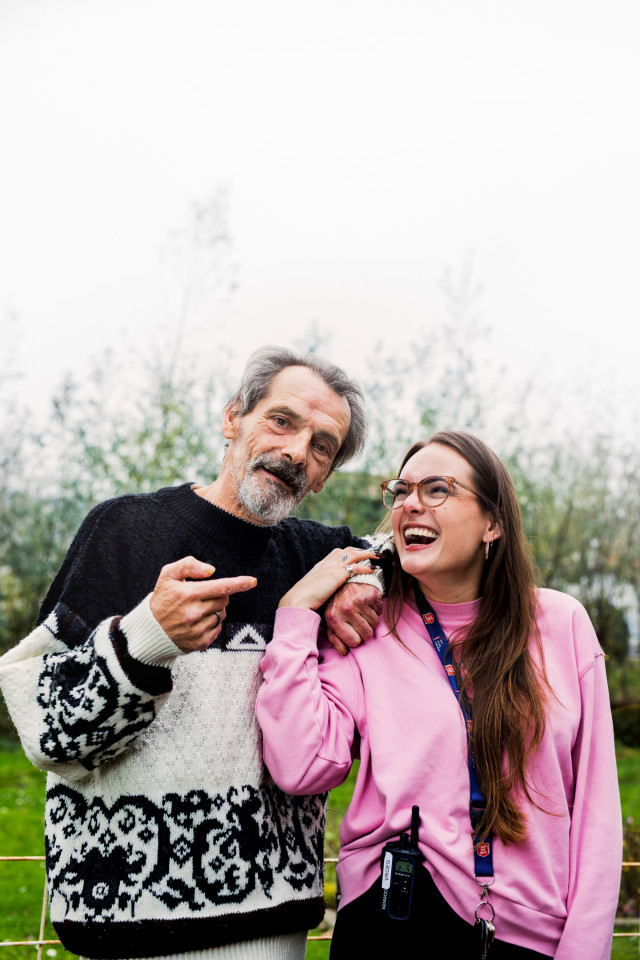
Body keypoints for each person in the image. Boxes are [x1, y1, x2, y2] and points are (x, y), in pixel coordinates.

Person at [0, 345, 387, 960]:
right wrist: (145, 638)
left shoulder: (319, 556)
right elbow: (48, 735)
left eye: (321, 446)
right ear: (233, 417)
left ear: (325, 475)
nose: (295, 453)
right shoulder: (122, 531)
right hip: (126, 930)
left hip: (275, 929)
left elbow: (400, 550)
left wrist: (365, 582)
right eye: (281, 421)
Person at [256, 430, 623, 959]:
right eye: (401, 490)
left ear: (493, 523)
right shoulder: (365, 624)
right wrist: (294, 618)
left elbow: (596, 808)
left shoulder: (560, 623)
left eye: (436, 490)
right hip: (392, 921)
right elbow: (301, 765)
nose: (409, 504)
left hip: (530, 934)